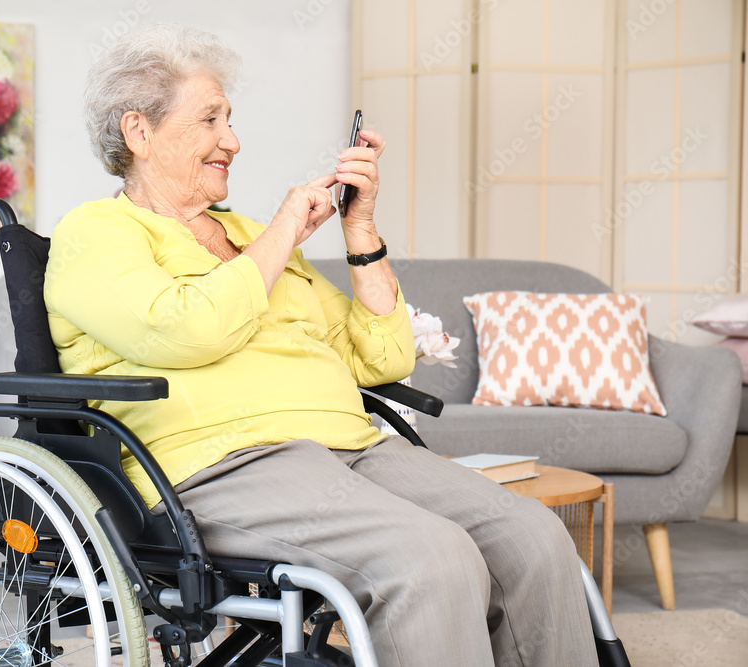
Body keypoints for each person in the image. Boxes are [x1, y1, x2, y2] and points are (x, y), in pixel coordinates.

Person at [44, 23, 598, 667]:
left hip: (352, 447)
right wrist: (281, 232)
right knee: (428, 557)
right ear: (139, 132)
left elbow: (379, 357)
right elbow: (182, 330)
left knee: (533, 537)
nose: (233, 140)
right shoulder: (96, 233)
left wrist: (359, 229)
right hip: (221, 466)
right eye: (210, 119)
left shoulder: (252, 236)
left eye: (231, 119)